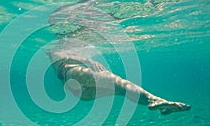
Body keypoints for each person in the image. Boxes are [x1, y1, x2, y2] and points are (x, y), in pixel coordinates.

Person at [47, 49, 191, 115]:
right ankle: (155, 100)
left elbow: (65, 56)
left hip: (77, 89)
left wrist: (87, 60)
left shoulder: (54, 51)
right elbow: (68, 55)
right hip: (75, 75)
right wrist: (89, 60)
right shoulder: (58, 50)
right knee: (120, 84)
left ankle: (161, 105)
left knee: (121, 90)